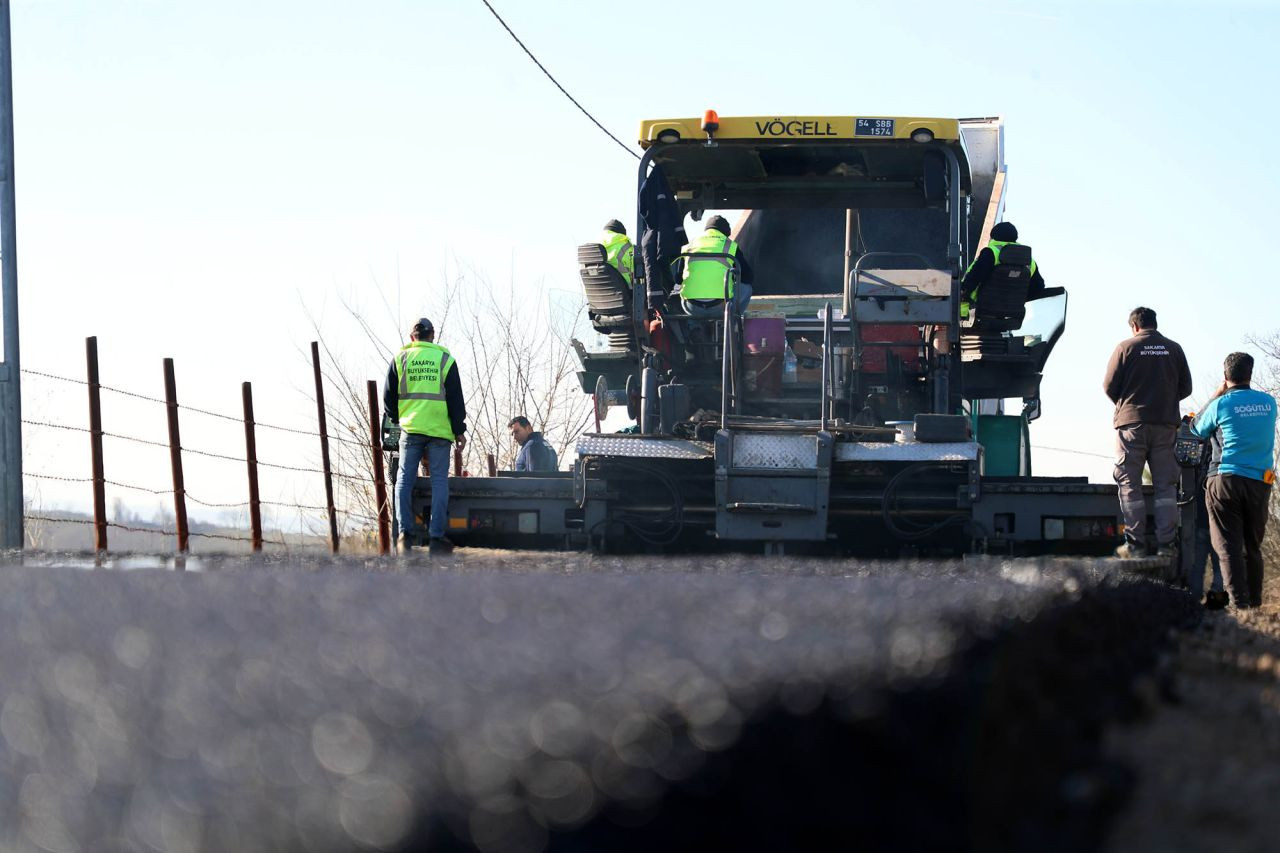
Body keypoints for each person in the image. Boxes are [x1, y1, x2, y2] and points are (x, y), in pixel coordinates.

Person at [1102, 306, 1193, 558]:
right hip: (1165, 425)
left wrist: (1127, 405)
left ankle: (1136, 545)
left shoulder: (1125, 347)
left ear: (1134, 326)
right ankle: (1166, 545)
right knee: (1166, 485)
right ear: (1154, 323)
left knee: (1130, 483)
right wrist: (1164, 402)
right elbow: (1186, 387)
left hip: (1131, 425)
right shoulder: (1174, 348)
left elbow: (1109, 386)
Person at [1190, 352, 1277, 610]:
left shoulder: (1221, 404)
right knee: (1252, 546)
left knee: (1228, 546)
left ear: (1226, 376)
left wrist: (1218, 393)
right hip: (1260, 482)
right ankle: (1255, 605)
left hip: (1225, 480)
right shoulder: (1269, 403)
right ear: (1250, 374)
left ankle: (1240, 607)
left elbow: (1196, 428)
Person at [384, 317, 466, 554]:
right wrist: (459, 429)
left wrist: (399, 418)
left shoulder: (400, 359)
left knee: (404, 480)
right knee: (439, 481)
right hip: (440, 431)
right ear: (433, 336)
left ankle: (404, 535)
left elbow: (388, 397)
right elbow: (455, 398)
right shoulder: (445, 360)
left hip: (411, 429)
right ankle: (436, 538)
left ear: (412, 337)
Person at [959, 221, 1045, 320]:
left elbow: (974, 278)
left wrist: (962, 292)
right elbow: (1038, 288)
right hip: (1009, 316)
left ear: (993, 237)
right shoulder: (1029, 262)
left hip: (971, 313)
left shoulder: (991, 253)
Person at [674, 215, 754, 318]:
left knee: (679, 289)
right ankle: (733, 321)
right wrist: (732, 278)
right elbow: (748, 277)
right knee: (746, 288)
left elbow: (678, 279)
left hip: (691, 307)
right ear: (726, 233)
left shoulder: (689, 246)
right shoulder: (730, 246)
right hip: (721, 307)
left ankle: (693, 327)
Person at [600, 220, 635, 288]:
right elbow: (635, 270)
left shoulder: (597, 245)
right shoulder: (625, 245)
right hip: (623, 290)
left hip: (598, 290)